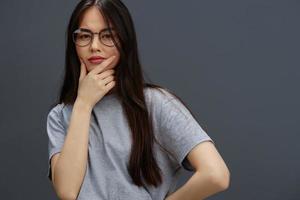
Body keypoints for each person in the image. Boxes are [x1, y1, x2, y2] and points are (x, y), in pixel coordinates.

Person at [46, 0, 230, 199]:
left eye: (108, 35)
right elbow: (67, 192)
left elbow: (216, 175)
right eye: (84, 36)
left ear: (125, 40)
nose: (94, 46)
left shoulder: (156, 104)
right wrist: (83, 104)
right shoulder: (60, 116)